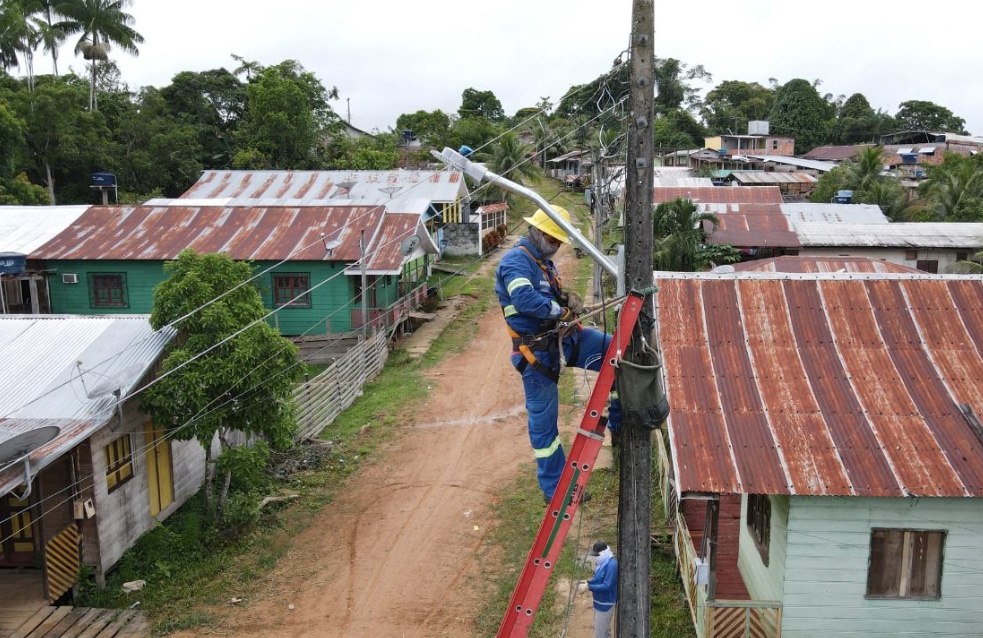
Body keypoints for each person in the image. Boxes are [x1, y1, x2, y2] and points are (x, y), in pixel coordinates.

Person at [494, 206, 621, 503]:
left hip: (563, 338)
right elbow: (524, 299)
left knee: (617, 352)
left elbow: (545, 295)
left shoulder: (543, 264)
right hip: (536, 353)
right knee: (545, 427)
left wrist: (565, 298)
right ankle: (556, 491)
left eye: (560, 241)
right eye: (553, 239)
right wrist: (561, 309)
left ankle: (621, 427)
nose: (556, 245)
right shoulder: (516, 262)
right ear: (536, 232)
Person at [579, 541, 618, 638]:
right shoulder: (602, 563)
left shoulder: (612, 565)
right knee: (605, 632)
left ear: (603, 553)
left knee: (600, 635)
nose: (595, 557)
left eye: (597, 555)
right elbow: (598, 579)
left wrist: (589, 587)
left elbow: (607, 586)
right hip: (598, 602)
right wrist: (587, 582)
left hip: (605, 604)